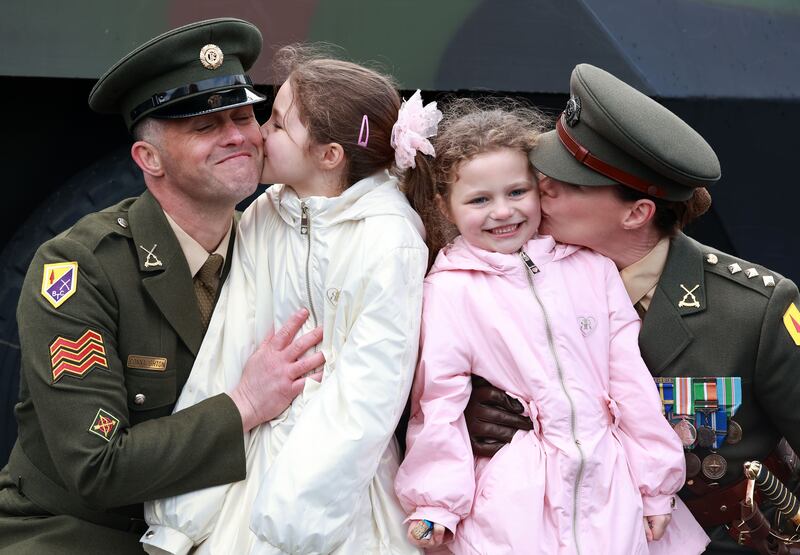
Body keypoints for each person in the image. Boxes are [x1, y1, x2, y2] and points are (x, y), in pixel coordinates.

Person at [0, 19, 324, 555]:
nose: (237, 135)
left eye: (243, 114)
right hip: (82, 534)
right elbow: (98, 467)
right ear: (148, 158)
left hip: (224, 530)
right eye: (203, 125)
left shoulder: (276, 251)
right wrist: (243, 403)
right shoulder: (79, 269)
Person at [465, 63, 800, 554]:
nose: (543, 189)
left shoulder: (755, 309)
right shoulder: (500, 276)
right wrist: (469, 419)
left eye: (571, 183)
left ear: (636, 212)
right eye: (545, 172)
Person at [141, 47, 429, 555]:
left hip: (334, 495)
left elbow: (369, 389)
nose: (259, 135)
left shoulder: (389, 239)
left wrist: (299, 514)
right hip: (250, 470)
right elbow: (228, 346)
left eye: (277, 123)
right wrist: (180, 516)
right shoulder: (266, 213)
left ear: (329, 155)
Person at [392, 98, 708, 554]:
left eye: (517, 192)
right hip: (517, 495)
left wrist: (656, 483)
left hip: (609, 480)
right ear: (445, 206)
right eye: (480, 199)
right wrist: (436, 503)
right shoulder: (449, 290)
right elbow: (439, 402)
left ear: (540, 189)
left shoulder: (591, 266)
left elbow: (629, 382)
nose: (502, 211)